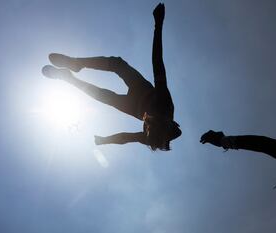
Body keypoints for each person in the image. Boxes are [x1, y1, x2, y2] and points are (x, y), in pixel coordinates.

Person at [42, 3, 181, 151]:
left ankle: (69, 77)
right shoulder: (165, 103)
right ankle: (76, 65)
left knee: (106, 92)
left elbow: (126, 138)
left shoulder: (151, 133)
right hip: (142, 92)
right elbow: (157, 62)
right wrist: (158, 25)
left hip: (135, 107)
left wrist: (105, 140)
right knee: (116, 67)